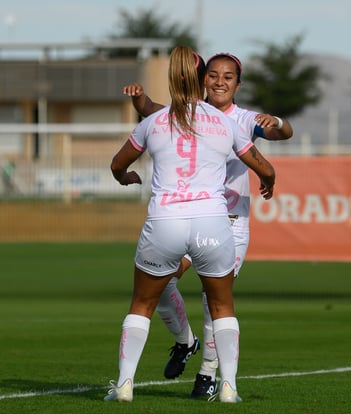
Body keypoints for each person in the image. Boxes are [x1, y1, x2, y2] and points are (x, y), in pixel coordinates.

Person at [105, 46, 275, 404]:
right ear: (202, 82)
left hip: (165, 221)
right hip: (213, 223)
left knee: (141, 304)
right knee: (222, 306)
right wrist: (269, 180)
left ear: (172, 79)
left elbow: (118, 163)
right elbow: (263, 166)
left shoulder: (154, 121)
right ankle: (228, 387)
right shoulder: (225, 122)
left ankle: (124, 384)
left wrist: (126, 177)